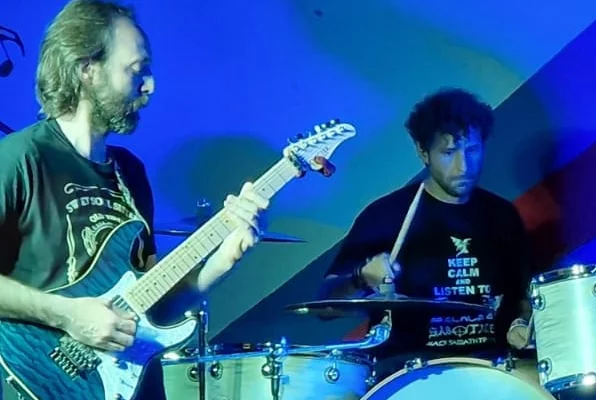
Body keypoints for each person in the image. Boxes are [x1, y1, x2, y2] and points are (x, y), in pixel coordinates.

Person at [0, 1, 268, 399]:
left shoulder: (130, 172)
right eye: (136, 69)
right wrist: (69, 315)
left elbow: (151, 307)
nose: (150, 85)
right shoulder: (21, 158)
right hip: (37, 382)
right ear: (87, 69)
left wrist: (224, 259)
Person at [317, 88, 537, 385]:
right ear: (423, 152)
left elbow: (522, 295)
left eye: (472, 149)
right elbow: (325, 308)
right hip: (410, 375)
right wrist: (360, 278)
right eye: (448, 152)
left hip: (493, 370)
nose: (463, 166)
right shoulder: (385, 216)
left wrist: (522, 324)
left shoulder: (502, 215)